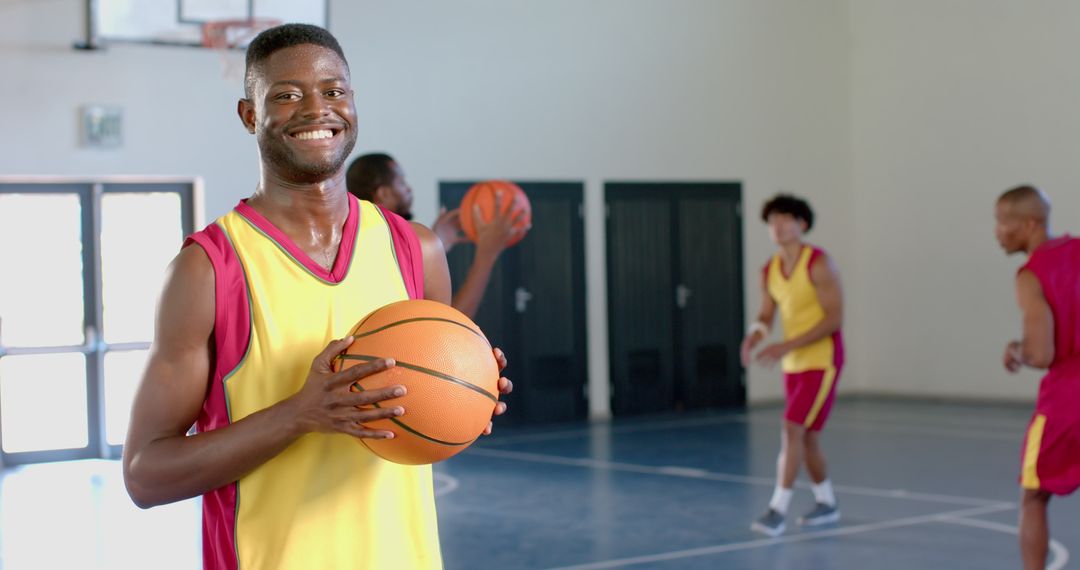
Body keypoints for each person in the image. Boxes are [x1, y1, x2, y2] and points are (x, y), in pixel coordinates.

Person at [121, 23, 511, 570]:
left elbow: (424, 412)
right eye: (286, 94)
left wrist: (464, 392)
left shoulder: (415, 249)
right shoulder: (207, 271)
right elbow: (145, 474)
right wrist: (300, 414)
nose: (316, 108)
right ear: (250, 115)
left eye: (334, 91)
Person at [741, 193, 844, 537]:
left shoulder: (818, 263)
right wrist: (755, 336)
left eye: (785, 219)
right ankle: (826, 502)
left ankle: (777, 509)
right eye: (772, 221)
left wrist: (785, 345)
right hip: (794, 364)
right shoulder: (769, 271)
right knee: (808, 436)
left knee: (791, 428)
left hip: (822, 360)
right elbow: (766, 315)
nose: (778, 227)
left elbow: (834, 319)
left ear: (801, 224)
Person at [994, 185, 1080, 570]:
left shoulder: (1031, 275)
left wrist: (1017, 349)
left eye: (1002, 222)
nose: (997, 231)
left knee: (1034, 497)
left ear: (1029, 224)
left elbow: (1042, 352)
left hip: (1067, 399)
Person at [345, 153, 526, 319]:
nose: (409, 189)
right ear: (383, 193)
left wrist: (435, 243)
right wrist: (487, 254)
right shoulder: (378, 247)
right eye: (401, 182)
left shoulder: (359, 240)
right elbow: (449, 326)